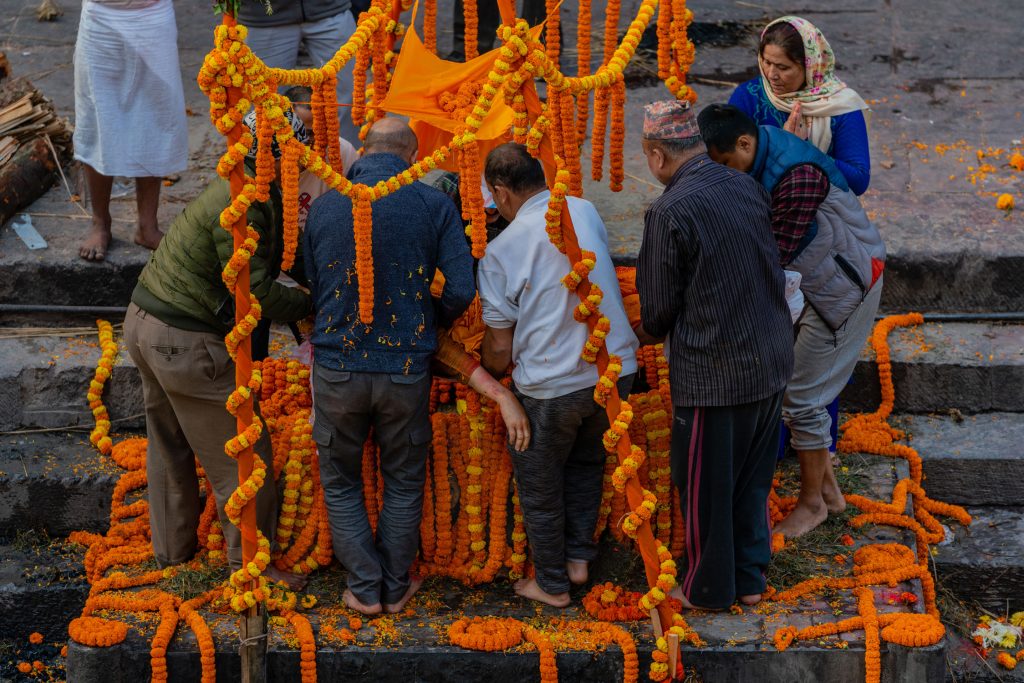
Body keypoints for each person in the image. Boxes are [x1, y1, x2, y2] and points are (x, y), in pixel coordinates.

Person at [123, 109, 313, 589]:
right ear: (278, 157)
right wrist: (313, 305)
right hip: (183, 342)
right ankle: (251, 567)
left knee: (169, 446)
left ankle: (172, 554)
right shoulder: (247, 202)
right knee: (247, 455)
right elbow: (257, 293)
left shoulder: (235, 179)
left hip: (143, 324)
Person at [304, 118, 476, 616]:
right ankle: (395, 587)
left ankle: (363, 588)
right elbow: (463, 288)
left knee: (341, 480)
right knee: (403, 479)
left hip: (338, 368)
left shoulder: (328, 205)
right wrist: (429, 324)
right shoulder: (433, 204)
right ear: (413, 156)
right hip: (406, 368)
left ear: (362, 150)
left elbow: (314, 285)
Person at [698, 103, 885, 540]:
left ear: (745, 143)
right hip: (818, 279)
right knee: (794, 390)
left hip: (844, 285)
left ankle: (812, 504)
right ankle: (833, 495)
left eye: (726, 165)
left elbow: (771, 256)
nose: (726, 176)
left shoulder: (796, 176)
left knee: (801, 398)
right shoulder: (759, 150)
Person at [635, 101, 794, 610]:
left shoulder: (669, 211)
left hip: (715, 376)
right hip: (769, 360)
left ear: (658, 155)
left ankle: (707, 588)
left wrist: (635, 328)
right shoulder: (745, 185)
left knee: (704, 488)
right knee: (751, 481)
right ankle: (749, 580)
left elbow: (657, 311)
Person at [478, 143, 639, 608]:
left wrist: (488, 373)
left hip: (552, 386)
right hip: (614, 370)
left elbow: (500, 346)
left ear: (502, 192)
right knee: (588, 464)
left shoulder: (501, 249)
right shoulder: (583, 210)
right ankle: (577, 560)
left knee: (541, 482)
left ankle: (551, 584)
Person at [73, 0, 188, 261]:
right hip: (101, 15)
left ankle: (148, 226)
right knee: (98, 117)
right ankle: (100, 222)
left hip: (153, 14)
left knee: (155, 116)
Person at [729, 16, 871, 195]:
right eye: (766, 62)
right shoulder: (748, 96)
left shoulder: (840, 107)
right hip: (755, 208)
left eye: (783, 67)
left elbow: (858, 181)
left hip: (819, 214)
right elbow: (728, 164)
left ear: (810, 67)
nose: (771, 74)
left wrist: (803, 148)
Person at [239, 0, 360, 142]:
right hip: (263, 19)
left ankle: (348, 160)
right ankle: (278, 162)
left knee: (349, 96)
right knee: (267, 105)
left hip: (330, 9)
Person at [280, 86, 360, 230]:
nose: (308, 140)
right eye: (300, 132)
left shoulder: (343, 152)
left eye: (317, 132)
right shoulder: (266, 156)